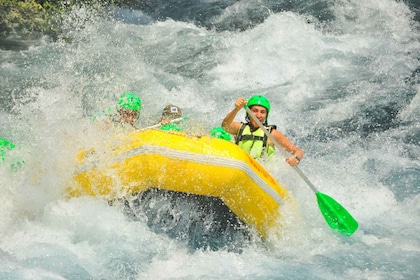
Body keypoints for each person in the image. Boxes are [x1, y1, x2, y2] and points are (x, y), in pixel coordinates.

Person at [221, 95, 303, 166]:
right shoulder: (239, 127)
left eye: (262, 112)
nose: (258, 115)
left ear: (266, 115)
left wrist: (296, 158)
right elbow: (225, 126)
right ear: (248, 113)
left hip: (261, 172)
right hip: (240, 166)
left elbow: (298, 151)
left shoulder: (272, 134)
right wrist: (236, 109)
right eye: (255, 111)